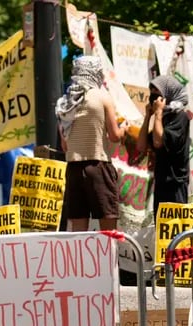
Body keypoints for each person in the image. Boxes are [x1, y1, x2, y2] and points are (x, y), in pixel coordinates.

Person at [56, 56, 125, 232]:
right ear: (96, 72)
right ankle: (109, 259)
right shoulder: (102, 97)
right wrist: (124, 127)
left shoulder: (65, 103)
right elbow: (115, 136)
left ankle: (81, 260)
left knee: (78, 230)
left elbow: (65, 146)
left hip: (73, 169)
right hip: (98, 166)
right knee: (108, 228)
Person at [136, 75, 191, 219]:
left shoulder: (181, 117)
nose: (154, 98)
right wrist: (148, 117)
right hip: (161, 182)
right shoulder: (162, 118)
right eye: (152, 93)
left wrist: (159, 114)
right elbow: (141, 146)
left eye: (158, 94)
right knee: (161, 232)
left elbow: (158, 142)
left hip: (176, 183)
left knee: (176, 232)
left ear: (168, 94)